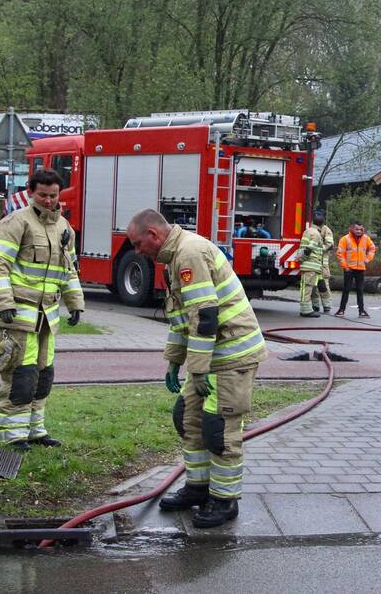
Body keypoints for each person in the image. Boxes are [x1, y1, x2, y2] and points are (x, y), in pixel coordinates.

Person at [126, 209, 266, 528]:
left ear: (153, 235)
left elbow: (205, 319)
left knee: (219, 429)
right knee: (187, 419)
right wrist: (174, 362)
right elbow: (181, 319)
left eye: (137, 244)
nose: (137, 251)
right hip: (210, 357)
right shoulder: (172, 259)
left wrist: (198, 371)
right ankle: (198, 488)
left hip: (232, 355)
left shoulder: (189, 253)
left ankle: (224, 500)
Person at [0, 169, 84, 452]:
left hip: (48, 317)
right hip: (19, 315)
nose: (49, 200)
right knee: (20, 375)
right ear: (31, 192)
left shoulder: (64, 228)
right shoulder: (15, 223)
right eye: (43, 195)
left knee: (43, 376)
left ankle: (35, 431)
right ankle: (13, 435)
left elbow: (69, 269)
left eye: (54, 195)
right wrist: (4, 303)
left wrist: (75, 303)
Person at [335, 221, 376, 318]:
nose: (359, 231)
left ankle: (361, 311)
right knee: (346, 290)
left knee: (360, 290)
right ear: (351, 229)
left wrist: (368, 259)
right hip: (349, 269)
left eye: (361, 229)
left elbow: (372, 248)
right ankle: (341, 310)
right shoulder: (345, 239)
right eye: (357, 229)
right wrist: (345, 266)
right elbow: (340, 254)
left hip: (360, 269)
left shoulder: (366, 238)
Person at [297, 213, 325, 317]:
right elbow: (309, 248)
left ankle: (307, 308)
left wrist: (301, 259)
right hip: (311, 266)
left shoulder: (307, 231)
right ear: (322, 224)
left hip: (308, 266)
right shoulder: (317, 234)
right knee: (307, 288)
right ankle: (305, 310)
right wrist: (302, 259)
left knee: (306, 287)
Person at [309, 210, 335, 313]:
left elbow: (330, 244)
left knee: (324, 285)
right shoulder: (310, 229)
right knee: (313, 285)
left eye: (319, 215)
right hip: (312, 261)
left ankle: (327, 305)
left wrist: (318, 249)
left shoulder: (326, 230)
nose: (317, 217)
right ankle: (315, 305)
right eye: (316, 215)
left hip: (322, 263)